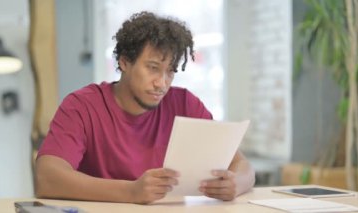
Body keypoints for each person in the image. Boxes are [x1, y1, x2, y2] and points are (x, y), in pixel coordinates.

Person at [35, 11, 255, 204]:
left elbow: (242, 165)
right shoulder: (82, 106)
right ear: (124, 62)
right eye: (152, 68)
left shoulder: (185, 104)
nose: (162, 83)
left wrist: (236, 184)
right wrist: (131, 192)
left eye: (170, 71)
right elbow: (47, 177)